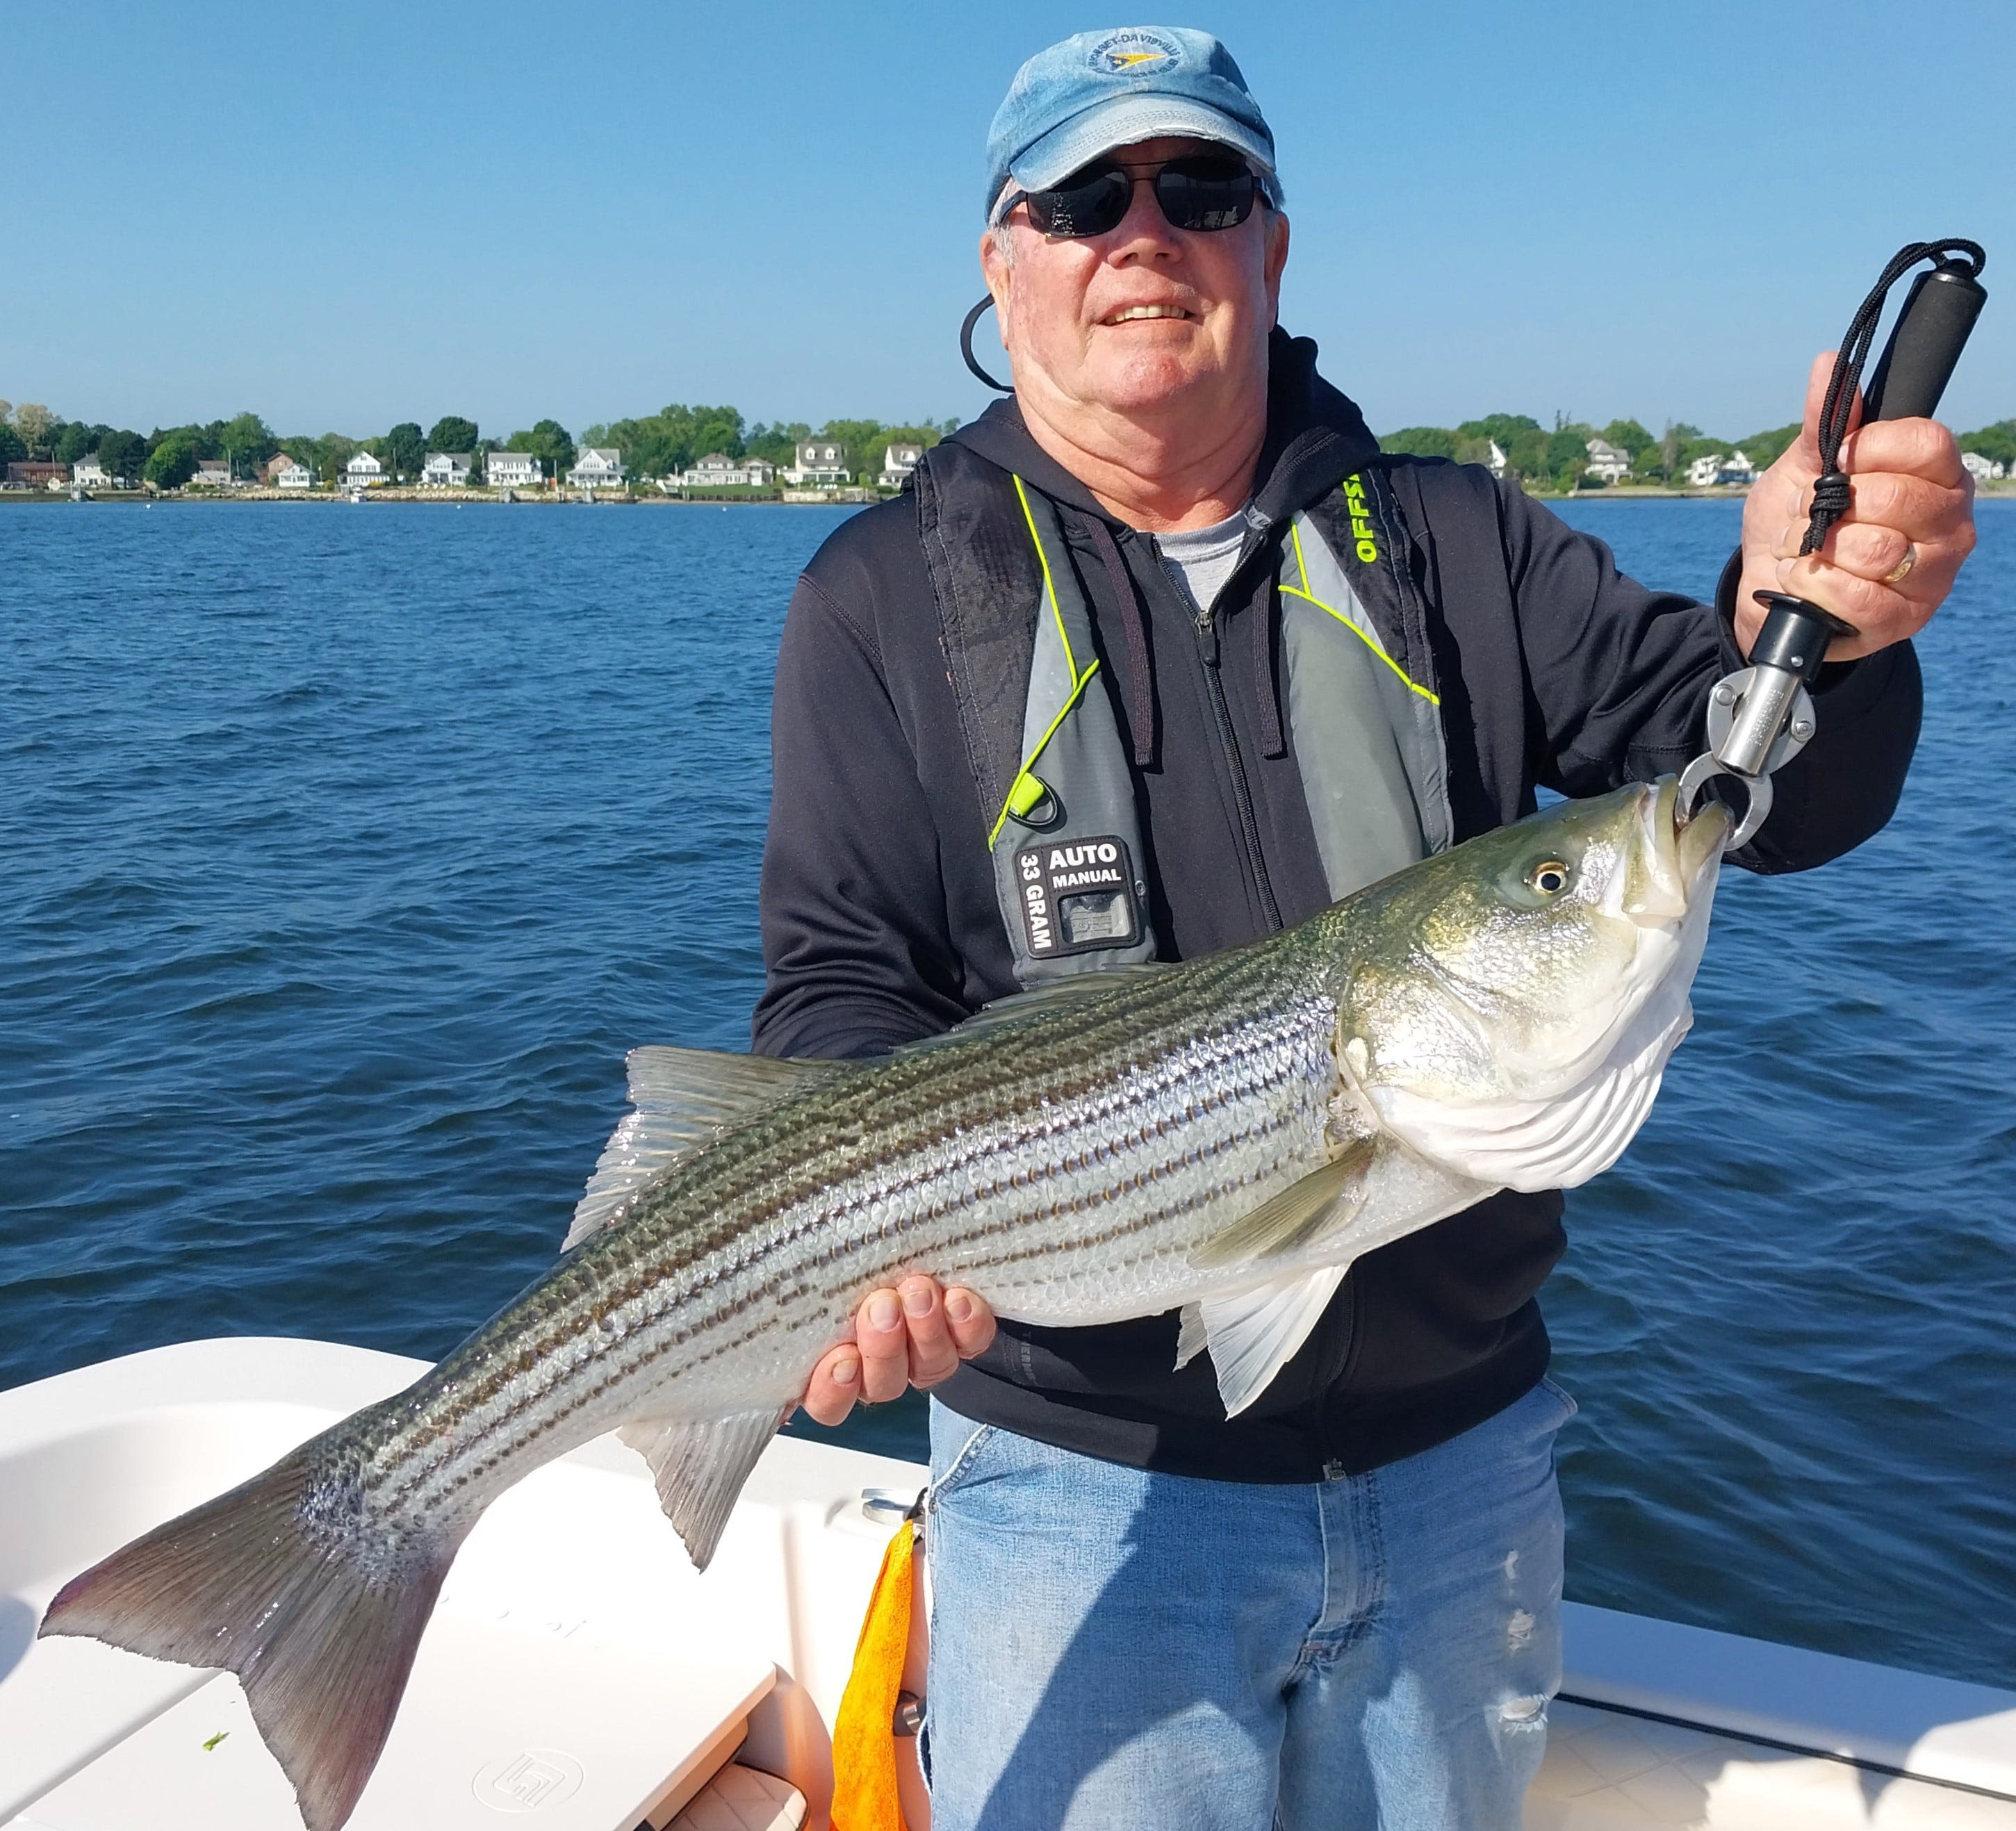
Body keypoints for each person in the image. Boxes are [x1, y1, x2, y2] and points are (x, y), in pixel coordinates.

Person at [753, 27, 1974, 1830]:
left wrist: (1831, 631)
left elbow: (1747, 789)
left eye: (1205, 186)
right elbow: (841, 982)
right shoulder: (878, 595)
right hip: (1079, 1487)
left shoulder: (1452, 541)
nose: (1144, 232)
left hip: (1461, 1471)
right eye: (1086, 196)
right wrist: (851, 1233)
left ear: (1276, 242)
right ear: (1003, 260)